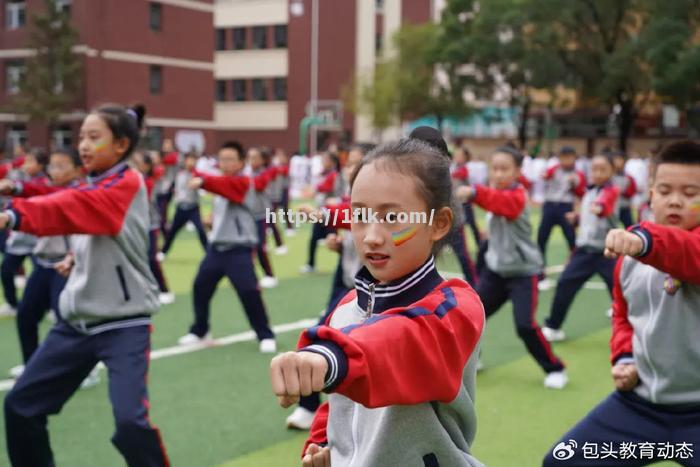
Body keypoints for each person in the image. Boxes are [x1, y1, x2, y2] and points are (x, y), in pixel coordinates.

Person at [270, 139, 485, 466]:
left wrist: (332, 357)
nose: (371, 236)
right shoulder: (346, 308)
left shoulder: (455, 305)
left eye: (393, 217)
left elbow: (399, 343)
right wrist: (323, 444)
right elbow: (340, 400)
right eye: (359, 216)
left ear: (438, 223)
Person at [2, 104, 170, 467]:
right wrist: (77, 257)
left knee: (130, 425)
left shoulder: (126, 182)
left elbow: (82, 208)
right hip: (75, 325)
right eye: (81, 137)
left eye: (95, 137)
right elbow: (91, 219)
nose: (84, 145)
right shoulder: (91, 182)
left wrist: (14, 213)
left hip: (124, 323)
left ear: (122, 144)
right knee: (20, 407)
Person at [543, 139, 700, 467]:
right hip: (639, 407)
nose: (675, 201)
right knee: (561, 462)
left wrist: (643, 239)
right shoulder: (629, 258)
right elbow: (624, 316)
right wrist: (624, 356)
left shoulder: (642, 242)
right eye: (665, 190)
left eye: (690, 194)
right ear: (651, 194)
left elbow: (685, 252)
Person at [458, 146, 567, 389]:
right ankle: (472, 362)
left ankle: (555, 368)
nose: (497, 174)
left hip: (523, 274)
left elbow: (503, 205)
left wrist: (474, 192)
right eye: (494, 169)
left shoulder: (517, 195)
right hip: (495, 273)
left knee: (525, 325)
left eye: (504, 169)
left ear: (518, 171)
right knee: (469, 317)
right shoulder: (496, 193)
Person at [177, 141, 276, 353]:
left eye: (230, 159)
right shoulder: (224, 182)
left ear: (241, 162)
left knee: (248, 292)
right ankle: (200, 330)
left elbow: (222, 187)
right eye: (222, 159)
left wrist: (202, 180)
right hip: (216, 249)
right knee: (200, 288)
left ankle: (265, 334)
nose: (225, 163)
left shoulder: (242, 181)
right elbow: (223, 199)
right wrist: (212, 220)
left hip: (239, 250)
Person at [542, 153, 620, 342]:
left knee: (621, 291)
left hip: (607, 253)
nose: (598, 173)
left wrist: (600, 208)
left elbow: (605, 204)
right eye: (594, 169)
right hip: (584, 251)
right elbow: (590, 218)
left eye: (603, 169)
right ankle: (553, 326)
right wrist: (576, 219)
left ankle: (636, 332)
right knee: (565, 284)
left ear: (611, 171)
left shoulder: (611, 191)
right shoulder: (589, 192)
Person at [0, 148, 49, 317]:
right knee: (6, 271)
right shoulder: (18, 178)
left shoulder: (46, 183)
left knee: (43, 275)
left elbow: (34, 191)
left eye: (31, 162)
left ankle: (49, 307)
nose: (26, 165)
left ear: (41, 165)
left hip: (38, 239)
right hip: (19, 238)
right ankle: (12, 303)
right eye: (26, 161)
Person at [132, 150, 174, 305]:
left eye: (140, 163)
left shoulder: (148, 181)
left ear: (147, 166)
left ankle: (164, 289)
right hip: (136, 226)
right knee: (136, 259)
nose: (136, 166)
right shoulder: (135, 178)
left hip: (150, 224)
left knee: (151, 258)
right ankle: (142, 290)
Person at [537, 146, 586, 266]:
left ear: (575, 159)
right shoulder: (554, 169)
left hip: (565, 207)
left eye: (569, 158)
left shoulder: (578, 174)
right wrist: (545, 175)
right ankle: (539, 268)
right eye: (563, 158)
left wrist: (574, 184)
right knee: (542, 237)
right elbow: (544, 176)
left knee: (571, 238)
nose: (566, 161)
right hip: (549, 205)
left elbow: (581, 193)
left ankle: (575, 264)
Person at [159, 151, 208, 256]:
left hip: (193, 208)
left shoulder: (197, 175)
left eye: (193, 160)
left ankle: (208, 253)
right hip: (181, 208)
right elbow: (172, 189)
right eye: (189, 159)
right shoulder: (179, 174)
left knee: (201, 231)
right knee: (172, 232)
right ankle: (163, 252)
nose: (191, 162)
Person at [611, 151, 638, 228]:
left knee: (630, 227)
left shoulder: (629, 178)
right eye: (616, 159)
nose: (618, 162)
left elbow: (632, 191)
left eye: (620, 159)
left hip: (625, 206)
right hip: (613, 208)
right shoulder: (609, 177)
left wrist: (622, 191)